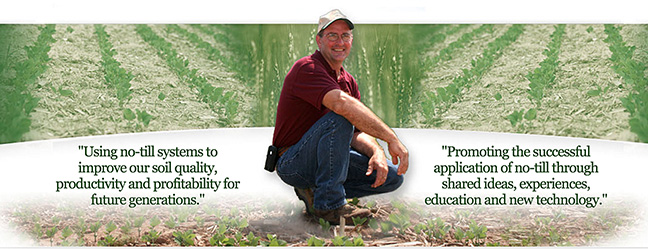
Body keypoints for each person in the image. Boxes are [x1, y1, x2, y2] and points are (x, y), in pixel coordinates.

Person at [272, 9, 409, 225]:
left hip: (326, 159)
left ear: (351, 41)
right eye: (332, 35)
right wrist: (391, 138)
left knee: (391, 177)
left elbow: (355, 133)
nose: (339, 42)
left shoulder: (348, 82)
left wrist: (377, 151)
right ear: (319, 41)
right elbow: (341, 106)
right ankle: (330, 207)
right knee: (341, 115)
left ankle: (317, 193)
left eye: (345, 36)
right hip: (293, 162)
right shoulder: (307, 68)